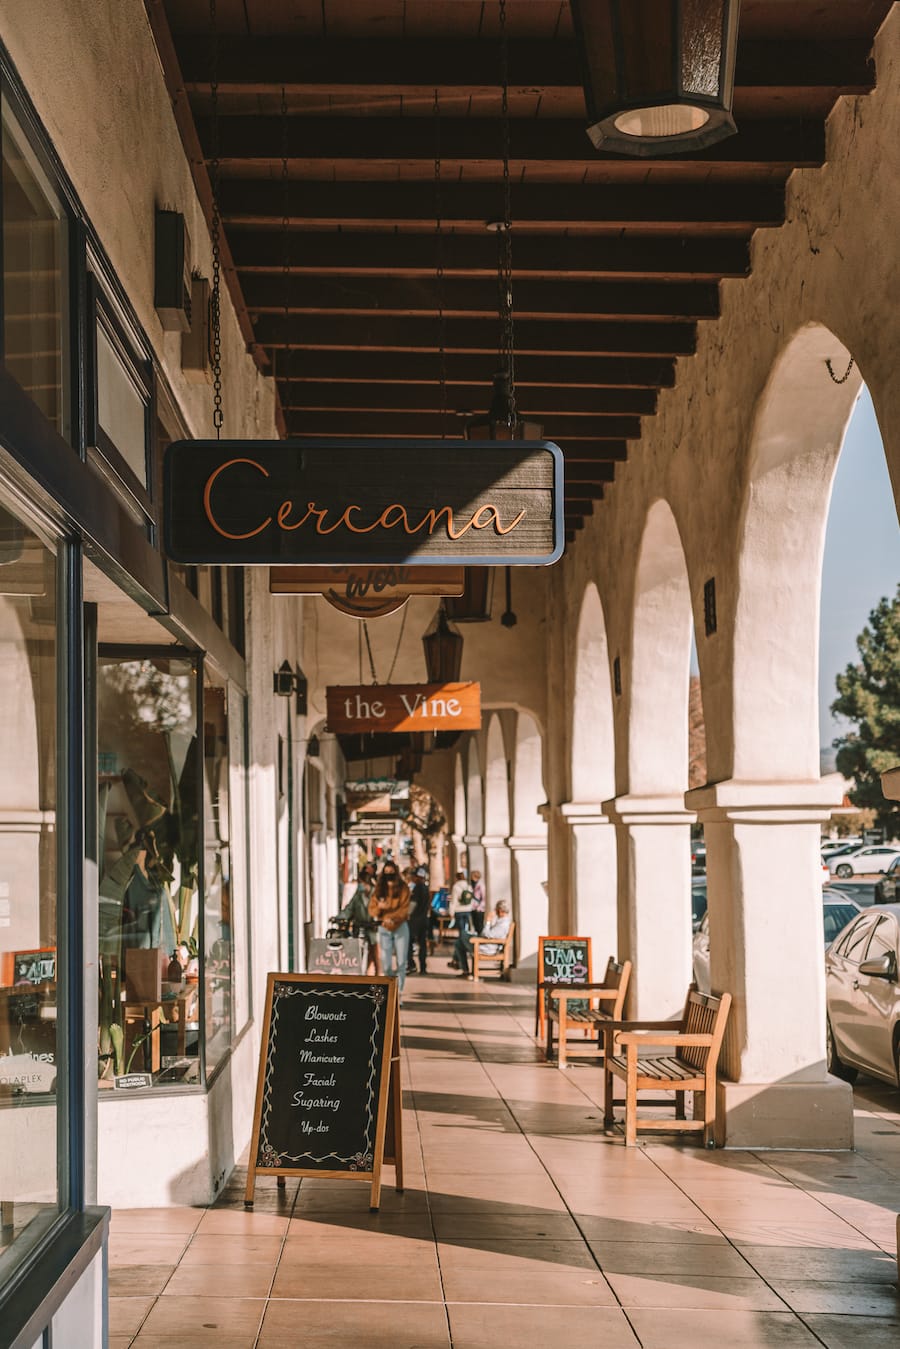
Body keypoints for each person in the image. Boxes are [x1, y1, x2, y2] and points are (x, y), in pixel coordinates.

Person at [369, 860, 410, 1000]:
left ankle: (399, 993)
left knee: (401, 962)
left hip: (400, 927)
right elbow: (372, 909)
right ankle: (389, 992)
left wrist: (390, 915)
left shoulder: (403, 888)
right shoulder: (379, 889)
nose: (389, 875)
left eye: (391, 872)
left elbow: (405, 909)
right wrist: (380, 908)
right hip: (384, 928)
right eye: (386, 873)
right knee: (385, 964)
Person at [452, 900, 512, 980]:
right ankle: (462, 967)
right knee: (458, 943)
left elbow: (485, 934)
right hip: (486, 945)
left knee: (462, 936)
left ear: (500, 911)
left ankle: (457, 962)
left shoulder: (503, 925)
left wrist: (488, 921)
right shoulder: (501, 921)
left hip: (487, 948)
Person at [337, 866, 379, 973]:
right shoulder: (358, 896)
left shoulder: (376, 894)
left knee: (375, 957)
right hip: (360, 927)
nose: (360, 885)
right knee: (358, 955)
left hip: (374, 929)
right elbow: (349, 909)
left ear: (367, 883)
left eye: (361, 883)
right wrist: (339, 917)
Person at [447, 870, 474, 969]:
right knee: (464, 934)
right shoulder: (468, 886)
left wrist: (451, 913)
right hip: (467, 911)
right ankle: (456, 959)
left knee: (461, 936)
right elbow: (471, 899)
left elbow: (453, 900)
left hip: (459, 911)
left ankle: (456, 959)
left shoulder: (456, 886)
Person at [406, 866, 431, 975]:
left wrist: (407, 914)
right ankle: (423, 967)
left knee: (409, 943)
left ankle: (411, 965)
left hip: (415, 920)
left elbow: (413, 904)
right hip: (424, 919)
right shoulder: (426, 888)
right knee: (422, 944)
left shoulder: (417, 888)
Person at [470, 870, 486, 935]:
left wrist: (479, 907)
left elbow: (484, 898)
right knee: (475, 925)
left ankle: (480, 940)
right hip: (473, 908)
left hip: (479, 909)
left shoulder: (481, 885)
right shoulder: (472, 885)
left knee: (479, 926)